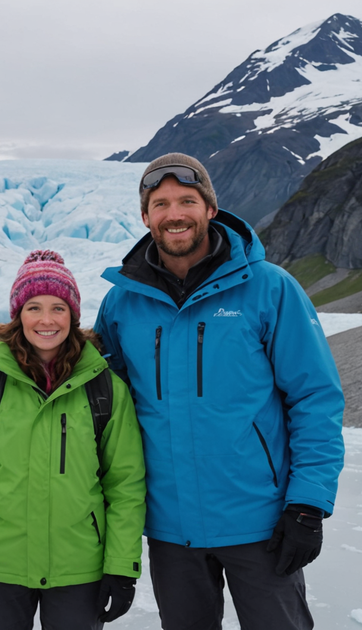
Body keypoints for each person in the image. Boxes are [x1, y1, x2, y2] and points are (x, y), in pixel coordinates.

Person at [93, 153, 345, 630]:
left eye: (187, 199)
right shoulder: (123, 302)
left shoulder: (269, 288)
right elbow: (100, 397)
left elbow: (315, 397)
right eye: (161, 203)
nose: (174, 214)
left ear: (210, 208)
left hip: (261, 523)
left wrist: (308, 504)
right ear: (146, 217)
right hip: (170, 528)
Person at [0, 250, 146, 630]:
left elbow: (125, 486)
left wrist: (121, 566)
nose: (46, 320)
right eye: (34, 307)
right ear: (18, 315)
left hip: (79, 569)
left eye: (58, 308)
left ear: (74, 315)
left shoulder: (106, 390)